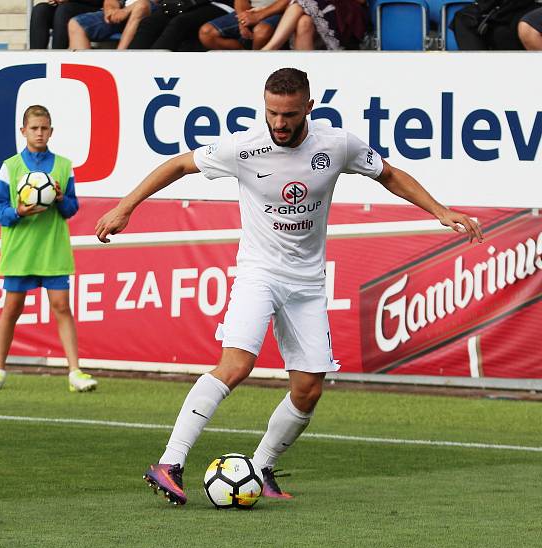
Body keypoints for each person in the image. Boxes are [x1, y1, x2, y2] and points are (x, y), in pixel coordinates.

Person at [95, 67, 484, 505]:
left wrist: (439, 210)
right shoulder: (245, 147)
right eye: (272, 113)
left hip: (308, 284)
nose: (279, 123)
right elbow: (180, 164)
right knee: (236, 365)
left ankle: (260, 467)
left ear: (309, 109)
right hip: (258, 274)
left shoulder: (337, 145)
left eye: (290, 115)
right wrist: (125, 208)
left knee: (309, 387)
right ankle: (170, 461)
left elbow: (389, 175)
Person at [0, 105, 98, 393]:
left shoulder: (63, 165)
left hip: (52, 250)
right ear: (23, 131)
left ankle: (75, 372)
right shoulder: (10, 166)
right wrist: (18, 212)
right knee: (12, 309)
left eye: (44, 128)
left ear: (51, 131)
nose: (39, 133)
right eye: (34, 128)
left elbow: (72, 208)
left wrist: (59, 199)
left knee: (62, 307)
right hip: (20, 251)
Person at [260, 0, 367, 51]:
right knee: (304, 22)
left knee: (300, 4)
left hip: (346, 11)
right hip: (319, 6)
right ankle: (304, 73)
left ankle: (268, 49)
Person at [127, 0, 235, 51]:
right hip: (187, 3)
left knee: (180, 22)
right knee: (150, 22)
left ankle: (152, 68)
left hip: (222, 4)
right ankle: (130, 66)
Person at [199, 0, 288, 50]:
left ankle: (257, 66)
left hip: (281, 11)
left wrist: (259, 15)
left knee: (261, 31)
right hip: (251, 10)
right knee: (206, 33)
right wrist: (242, 21)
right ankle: (244, 56)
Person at [68, 0, 156, 49]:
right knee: (76, 24)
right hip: (122, 11)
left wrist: (126, 10)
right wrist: (111, 11)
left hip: (152, 13)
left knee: (141, 6)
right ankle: (85, 71)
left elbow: (147, 4)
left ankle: (118, 60)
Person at [29, 0, 104, 49]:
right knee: (40, 10)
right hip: (65, 6)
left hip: (98, 8)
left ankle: (57, 59)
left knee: (64, 10)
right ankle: (35, 62)